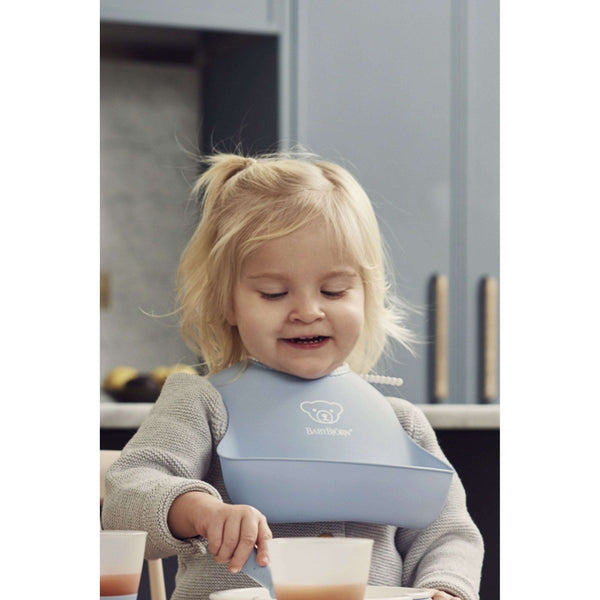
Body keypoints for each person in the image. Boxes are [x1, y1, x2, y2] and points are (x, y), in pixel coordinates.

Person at [102, 153, 484, 600]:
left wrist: (444, 589)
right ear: (227, 303)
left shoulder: (400, 423)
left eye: (334, 290)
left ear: (366, 295)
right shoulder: (203, 404)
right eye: (274, 293)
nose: (307, 311)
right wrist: (200, 511)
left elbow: (449, 535)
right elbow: (126, 496)